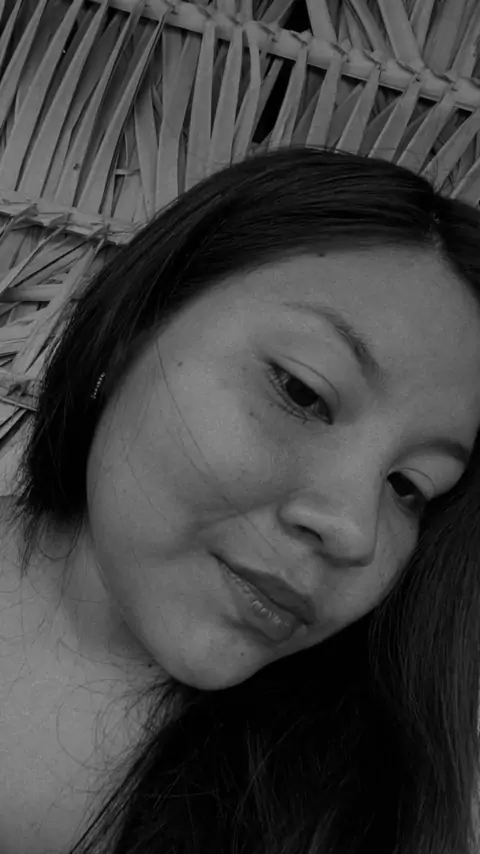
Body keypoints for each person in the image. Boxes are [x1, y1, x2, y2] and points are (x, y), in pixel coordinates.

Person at [1, 145, 480, 854]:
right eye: (303, 392)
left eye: (410, 488)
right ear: (130, 333)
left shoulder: (369, 814)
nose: (355, 532)